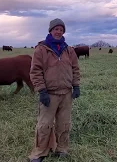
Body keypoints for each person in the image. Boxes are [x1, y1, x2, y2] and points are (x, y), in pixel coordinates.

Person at [28, 18, 81, 162]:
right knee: (44, 124)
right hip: (49, 94)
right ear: (51, 31)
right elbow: (35, 72)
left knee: (64, 123)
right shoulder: (41, 49)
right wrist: (42, 91)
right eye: (56, 29)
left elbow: (75, 69)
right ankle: (39, 152)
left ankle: (61, 148)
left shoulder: (69, 50)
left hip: (66, 94)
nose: (59, 32)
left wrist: (76, 86)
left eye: (61, 30)